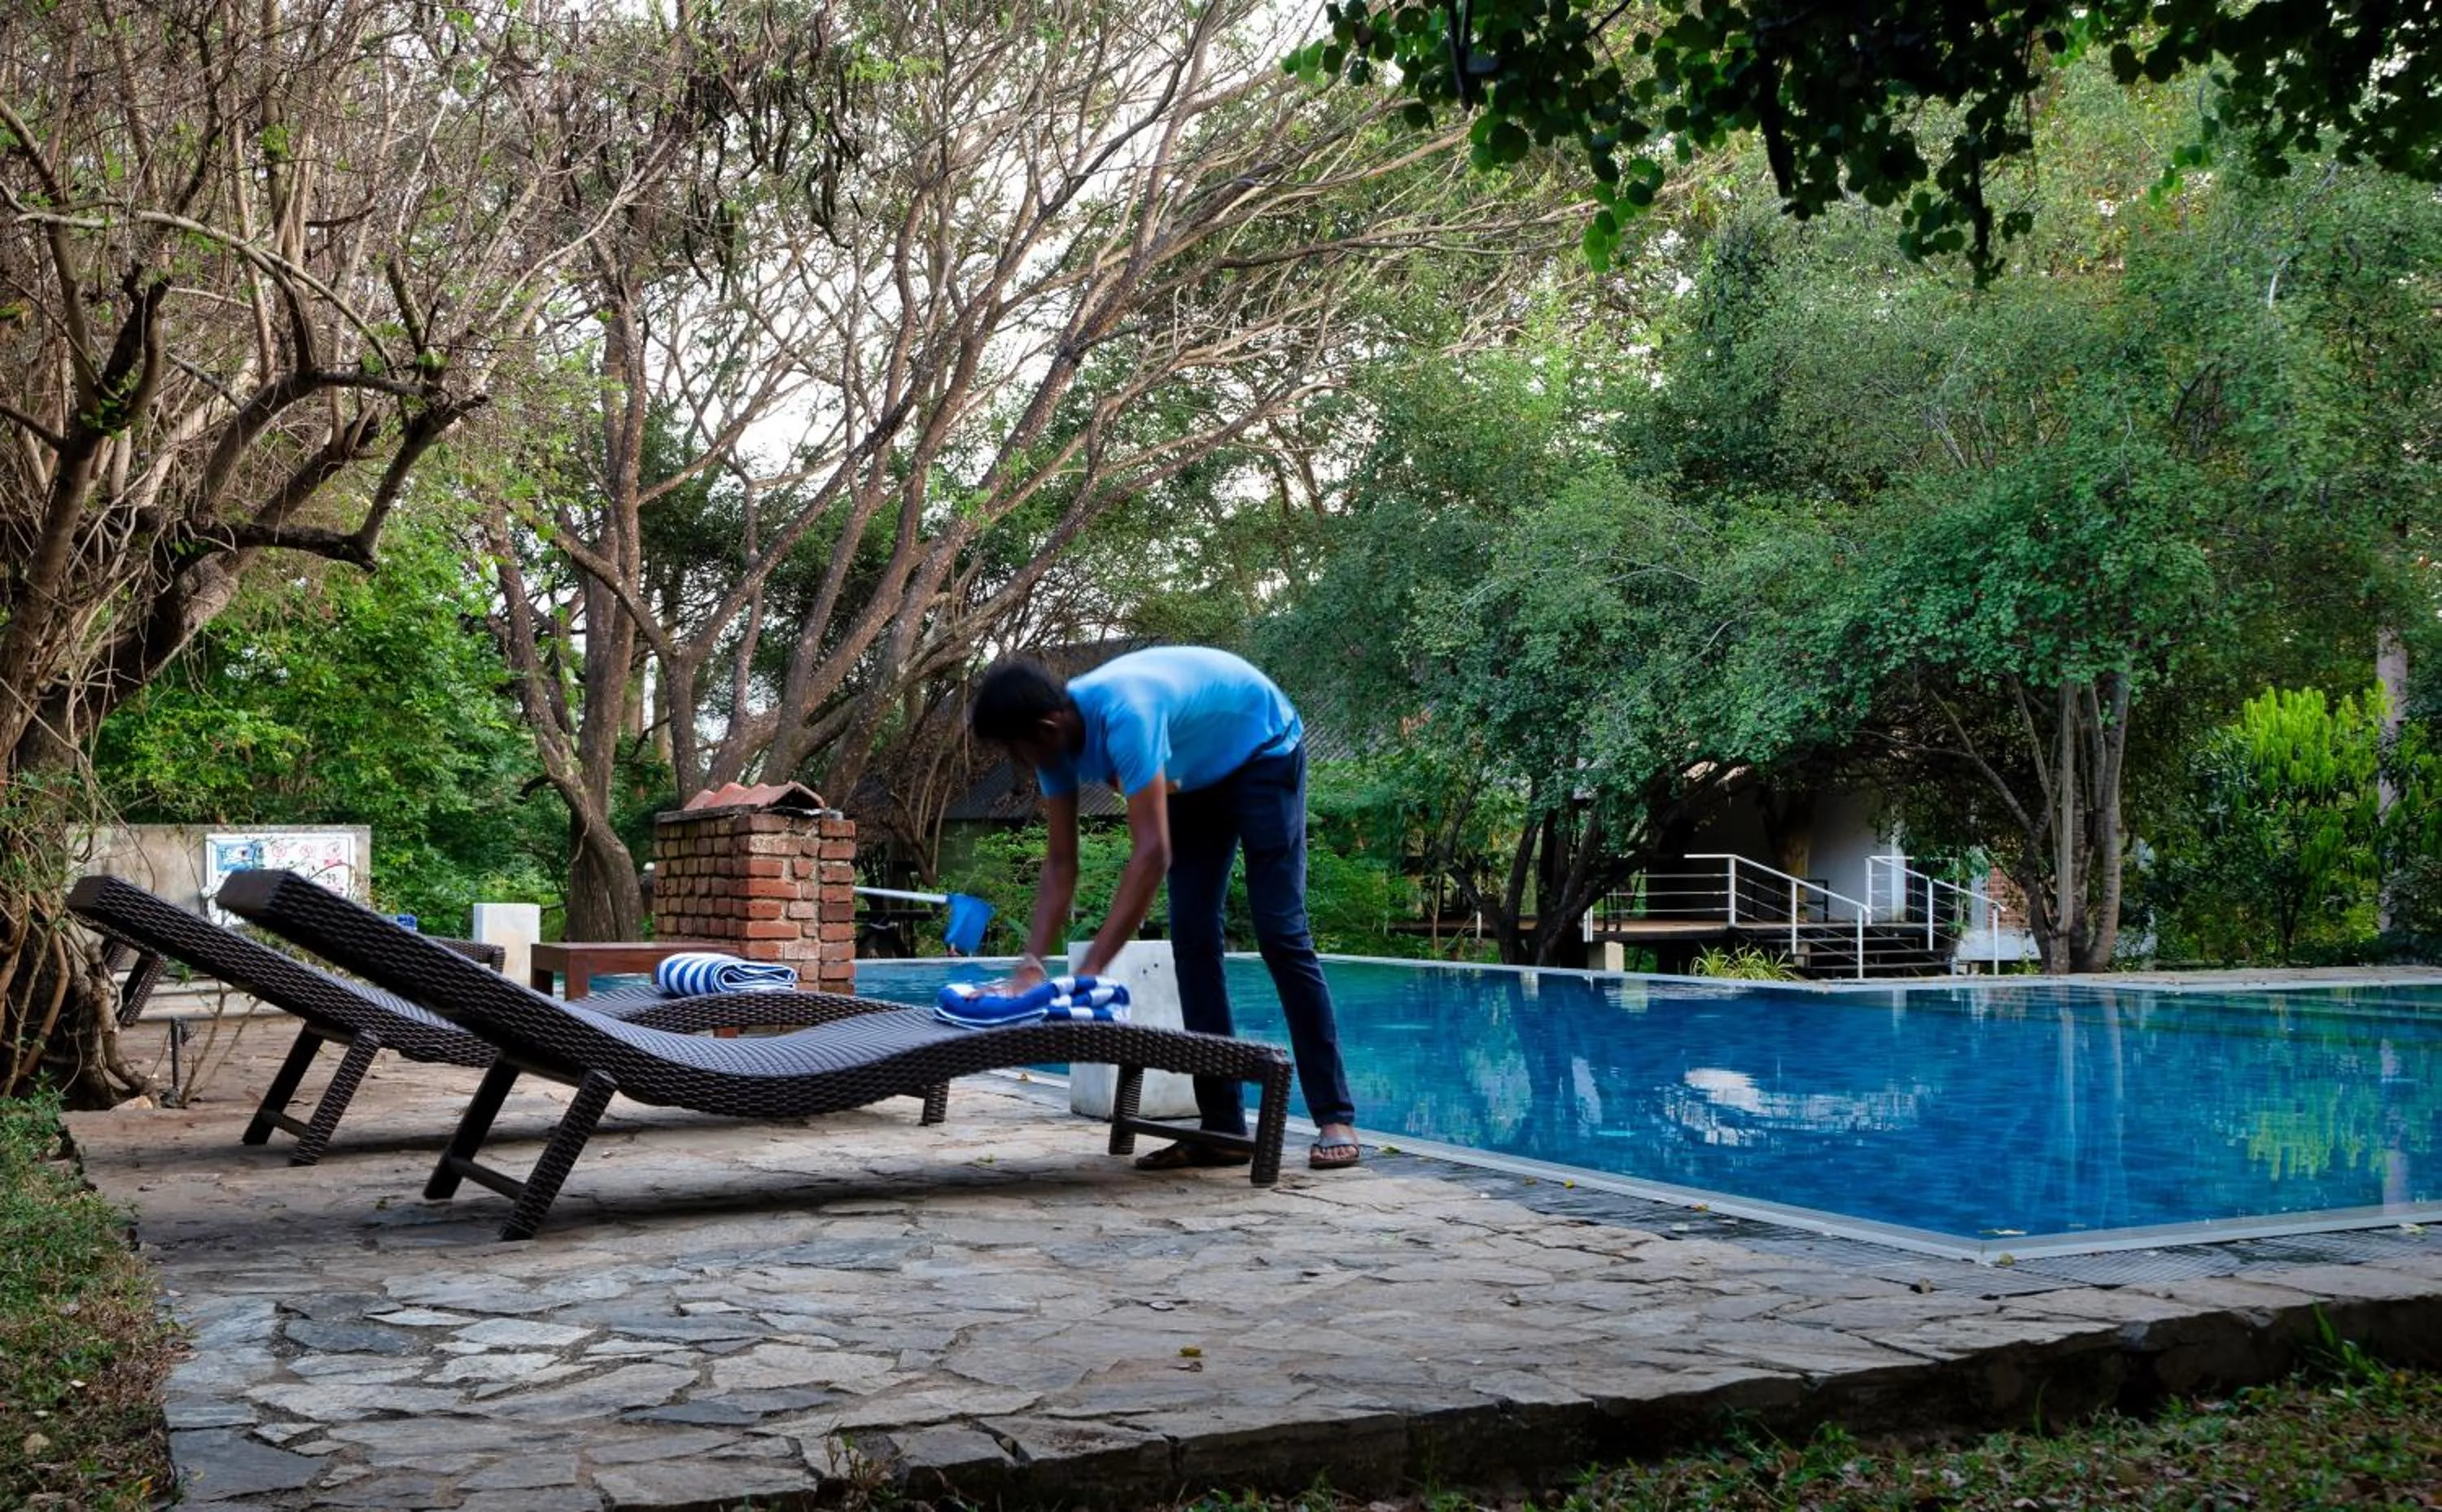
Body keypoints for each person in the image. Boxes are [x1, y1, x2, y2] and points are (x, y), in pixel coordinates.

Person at [969, 648, 1361, 1170]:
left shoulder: (1126, 713)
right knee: (1193, 936)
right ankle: (1221, 1127)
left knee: (1280, 933)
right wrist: (1032, 964)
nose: (1018, 764)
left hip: (1264, 747)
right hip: (1194, 775)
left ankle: (1334, 1115)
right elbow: (1061, 865)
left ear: (1046, 726)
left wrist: (1087, 973)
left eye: (1016, 750)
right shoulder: (1052, 750)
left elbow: (1152, 854)